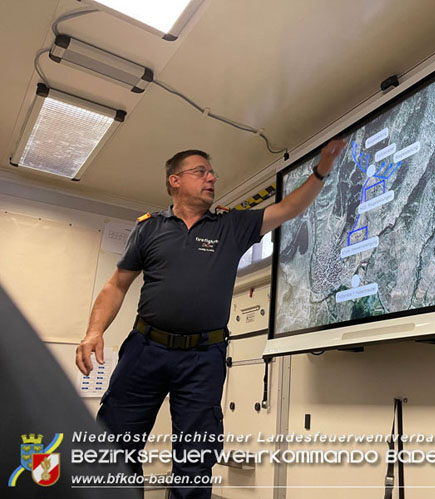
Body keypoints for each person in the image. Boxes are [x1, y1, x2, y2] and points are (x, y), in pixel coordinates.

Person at [75, 138, 346, 498]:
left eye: (212, 172)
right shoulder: (149, 229)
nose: (211, 177)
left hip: (203, 358)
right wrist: (94, 331)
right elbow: (116, 286)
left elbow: (288, 209)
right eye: (200, 171)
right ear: (175, 180)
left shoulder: (231, 227)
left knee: (195, 460)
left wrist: (321, 170)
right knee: (113, 448)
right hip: (145, 350)